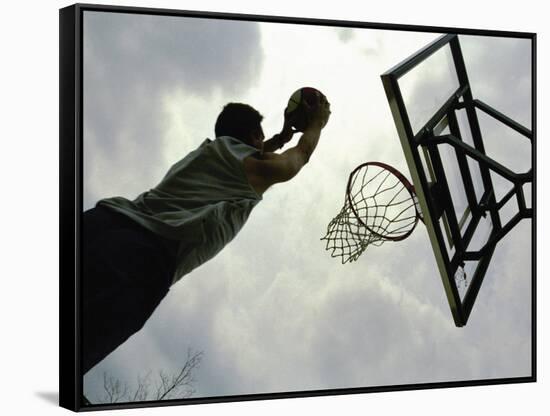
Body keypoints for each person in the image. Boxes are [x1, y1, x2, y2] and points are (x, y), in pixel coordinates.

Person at [82, 94, 331, 374]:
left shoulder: (211, 153)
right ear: (252, 135)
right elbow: (298, 159)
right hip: (140, 257)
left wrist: (282, 135)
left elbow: (256, 151)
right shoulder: (251, 168)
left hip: (101, 222)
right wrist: (317, 124)